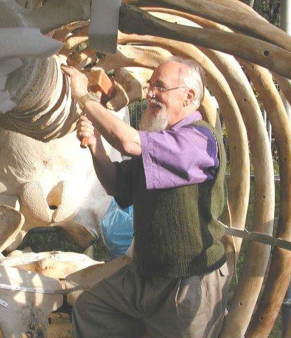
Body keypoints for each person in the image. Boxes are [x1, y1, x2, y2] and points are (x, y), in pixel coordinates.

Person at [61, 57, 229, 338]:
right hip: (144, 275)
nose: (150, 93)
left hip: (188, 280)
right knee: (91, 309)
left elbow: (128, 140)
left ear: (189, 96)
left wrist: (84, 98)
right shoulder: (161, 141)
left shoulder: (198, 141)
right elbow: (116, 184)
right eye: (150, 86)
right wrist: (96, 147)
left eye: (159, 87)